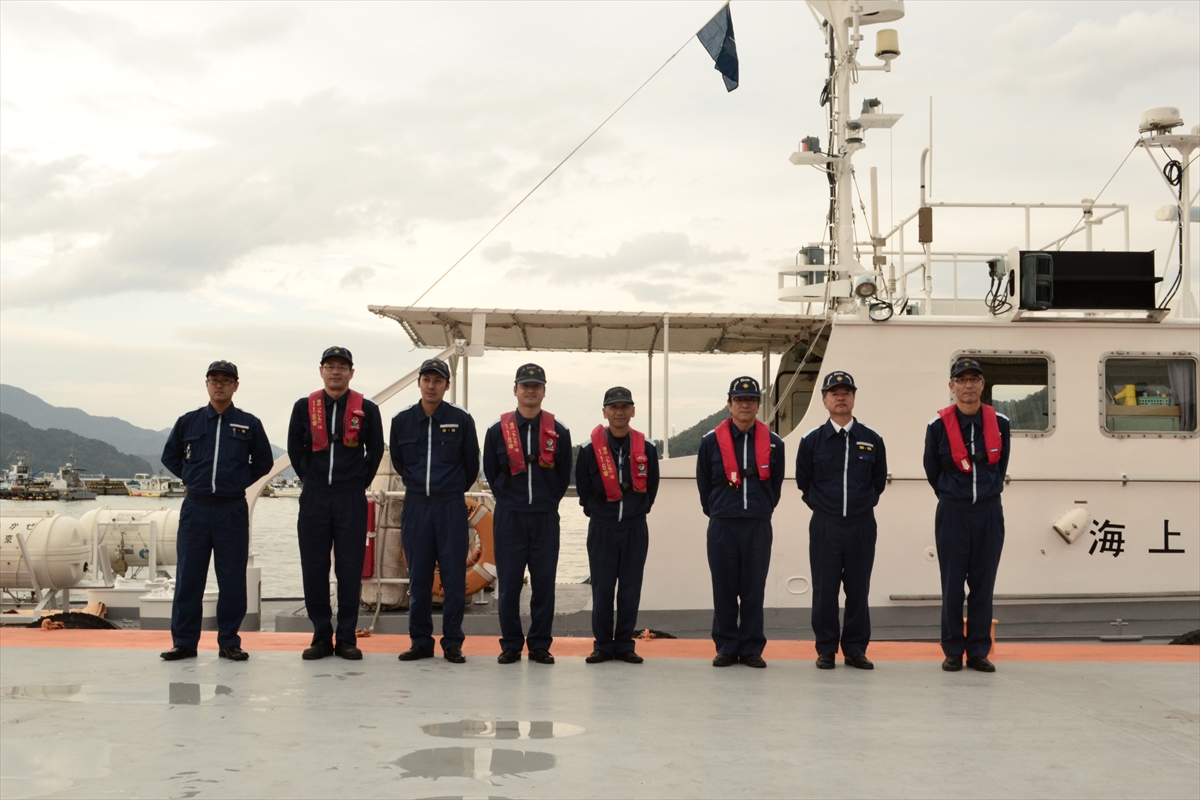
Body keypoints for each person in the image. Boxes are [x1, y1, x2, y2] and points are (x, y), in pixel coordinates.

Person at [159, 360, 274, 661]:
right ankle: (184, 642)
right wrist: (191, 477)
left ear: (236, 385)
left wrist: (238, 481)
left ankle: (229, 641)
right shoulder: (189, 422)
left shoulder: (249, 424)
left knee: (232, 579)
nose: (219, 384)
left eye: (226, 380)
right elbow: (170, 456)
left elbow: (263, 462)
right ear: (207, 384)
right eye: (214, 379)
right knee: (188, 578)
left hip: (231, 510)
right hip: (195, 509)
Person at [287, 346, 384, 661]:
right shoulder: (304, 407)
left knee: (350, 568)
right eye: (330, 366)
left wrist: (357, 481)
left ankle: (346, 638)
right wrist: (310, 478)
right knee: (314, 567)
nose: (336, 371)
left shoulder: (367, 409)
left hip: (350, 497)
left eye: (342, 366)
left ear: (351, 372)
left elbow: (375, 451)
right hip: (314, 497)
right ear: (321, 371)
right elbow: (295, 448)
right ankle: (320, 636)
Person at [923, 356, 1011, 673]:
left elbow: (1001, 465)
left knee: (983, 585)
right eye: (962, 380)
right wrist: (953, 495)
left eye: (974, 379)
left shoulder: (1000, 423)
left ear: (982, 384)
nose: (968, 385)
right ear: (952, 386)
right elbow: (932, 469)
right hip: (953, 513)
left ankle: (977, 651)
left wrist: (984, 493)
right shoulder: (936, 427)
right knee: (952, 585)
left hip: (988, 512)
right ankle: (952, 650)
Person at [795, 371, 887, 670]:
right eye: (834, 393)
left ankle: (855, 649)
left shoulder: (872, 439)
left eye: (846, 392)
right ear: (824, 400)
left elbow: (878, 482)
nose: (840, 397)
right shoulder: (811, 440)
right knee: (825, 589)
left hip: (861, 524)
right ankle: (825, 649)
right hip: (826, 525)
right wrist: (825, 508)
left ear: (853, 398)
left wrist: (861, 505)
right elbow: (804, 482)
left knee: (858, 589)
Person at [390, 358, 479, 664]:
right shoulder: (402, 421)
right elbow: (400, 462)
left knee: (453, 579)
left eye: (438, 381)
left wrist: (448, 490)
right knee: (419, 578)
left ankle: (452, 643)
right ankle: (420, 642)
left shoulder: (461, 420)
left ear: (447, 385)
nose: (431, 386)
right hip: (416, 506)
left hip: (450, 506)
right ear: (419, 383)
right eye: (426, 380)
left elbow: (471, 464)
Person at [482, 363, 573, 665]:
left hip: (545, 517)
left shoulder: (559, 432)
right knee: (508, 585)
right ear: (515, 390)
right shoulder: (497, 431)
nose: (530, 390)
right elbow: (491, 472)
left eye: (536, 386)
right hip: (510, 517)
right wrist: (509, 498)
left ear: (544, 391)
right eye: (525, 385)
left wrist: (547, 500)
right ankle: (510, 644)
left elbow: (563, 474)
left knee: (544, 584)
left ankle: (539, 645)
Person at [695, 376, 785, 668]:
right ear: (729, 404)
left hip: (757, 525)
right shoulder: (710, 442)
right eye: (739, 400)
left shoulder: (774, 443)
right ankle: (725, 647)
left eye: (750, 400)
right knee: (723, 589)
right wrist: (719, 510)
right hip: (723, 525)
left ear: (758, 405)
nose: (744, 405)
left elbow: (775, 486)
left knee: (753, 590)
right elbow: (704, 484)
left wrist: (760, 509)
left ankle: (750, 648)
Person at [575, 387, 660, 665]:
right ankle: (602, 645)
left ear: (633, 411)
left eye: (625, 407)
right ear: (605, 412)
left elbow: (652, 488)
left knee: (630, 590)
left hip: (635, 529)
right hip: (603, 529)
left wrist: (637, 510)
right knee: (602, 590)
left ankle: (624, 645)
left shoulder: (647, 449)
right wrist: (600, 512)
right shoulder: (589, 449)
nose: (619, 412)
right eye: (614, 407)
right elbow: (584, 490)